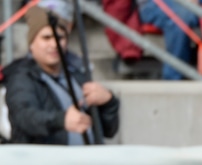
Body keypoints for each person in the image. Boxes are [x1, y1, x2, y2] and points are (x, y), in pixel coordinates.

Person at [3, 6, 119, 145]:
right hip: (45, 163)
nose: (54, 44)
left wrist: (109, 103)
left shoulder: (78, 75)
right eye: (46, 38)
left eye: (59, 37)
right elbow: (24, 118)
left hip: (88, 162)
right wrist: (61, 120)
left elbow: (109, 130)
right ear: (32, 44)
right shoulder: (21, 77)